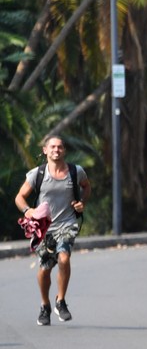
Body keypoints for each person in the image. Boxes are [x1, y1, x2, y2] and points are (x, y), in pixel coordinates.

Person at [14, 135, 91, 326]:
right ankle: (45, 304)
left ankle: (61, 301)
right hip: (44, 229)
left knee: (64, 257)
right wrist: (28, 210)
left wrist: (82, 203)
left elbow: (87, 187)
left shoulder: (76, 171)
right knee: (45, 269)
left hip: (67, 224)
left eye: (60, 147)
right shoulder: (37, 174)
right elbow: (19, 197)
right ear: (45, 150)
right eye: (53, 147)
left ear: (64, 151)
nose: (57, 150)